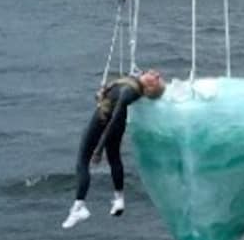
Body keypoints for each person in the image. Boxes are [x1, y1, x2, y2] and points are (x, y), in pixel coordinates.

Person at [61, 69, 166, 229]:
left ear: (150, 86)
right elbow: (116, 95)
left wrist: (99, 149)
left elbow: (114, 117)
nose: (156, 74)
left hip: (104, 122)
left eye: (157, 79)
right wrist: (104, 94)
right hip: (117, 124)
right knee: (114, 157)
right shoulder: (134, 85)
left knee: (82, 161)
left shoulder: (129, 92)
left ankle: (79, 207)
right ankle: (119, 200)